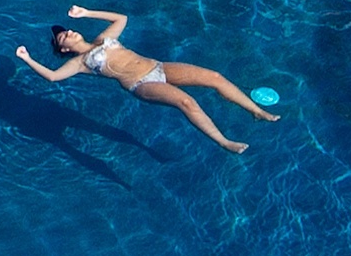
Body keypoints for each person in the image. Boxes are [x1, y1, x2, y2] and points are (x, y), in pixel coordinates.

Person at [23, 8, 282, 152]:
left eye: (67, 31)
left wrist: (86, 13)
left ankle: (257, 111)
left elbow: (121, 17)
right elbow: (53, 77)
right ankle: (225, 142)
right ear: (64, 50)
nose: (68, 33)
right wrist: (26, 58)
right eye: (63, 38)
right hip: (141, 85)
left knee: (214, 77)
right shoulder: (78, 63)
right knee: (186, 101)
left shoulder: (103, 39)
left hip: (159, 67)